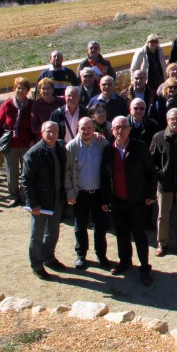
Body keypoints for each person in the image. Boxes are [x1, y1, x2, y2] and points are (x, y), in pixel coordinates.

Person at [108, 115, 158, 285]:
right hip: (117, 201)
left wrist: (151, 195)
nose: (120, 130)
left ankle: (144, 267)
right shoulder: (108, 150)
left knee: (139, 236)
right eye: (116, 127)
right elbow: (105, 177)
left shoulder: (140, 147)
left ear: (129, 129)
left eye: (123, 127)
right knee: (121, 234)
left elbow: (151, 172)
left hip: (137, 201)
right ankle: (125, 261)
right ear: (112, 130)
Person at [64, 116, 112, 271]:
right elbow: (67, 172)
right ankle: (81, 255)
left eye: (89, 128)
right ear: (78, 128)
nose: (86, 131)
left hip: (98, 193)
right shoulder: (72, 147)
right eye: (82, 128)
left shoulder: (101, 143)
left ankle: (101, 255)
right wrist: (70, 192)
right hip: (81, 193)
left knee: (100, 227)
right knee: (80, 226)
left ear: (94, 129)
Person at [21, 120, 67, 280]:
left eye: (55, 131)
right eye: (49, 131)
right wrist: (33, 203)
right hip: (40, 201)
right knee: (37, 235)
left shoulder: (60, 147)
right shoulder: (33, 154)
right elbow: (26, 181)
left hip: (56, 198)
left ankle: (49, 257)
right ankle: (36, 264)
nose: (52, 134)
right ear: (42, 132)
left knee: (53, 231)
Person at [150, 108, 177, 257]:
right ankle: (162, 243)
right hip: (164, 184)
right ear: (167, 121)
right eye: (172, 118)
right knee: (162, 215)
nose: (176, 121)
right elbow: (151, 160)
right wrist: (160, 174)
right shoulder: (159, 137)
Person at [0, 77, 35, 208]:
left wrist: (33, 139)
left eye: (23, 88)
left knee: (27, 172)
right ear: (14, 89)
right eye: (18, 88)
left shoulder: (32, 105)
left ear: (27, 90)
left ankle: (25, 195)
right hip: (11, 145)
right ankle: (15, 196)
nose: (21, 91)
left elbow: (35, 124)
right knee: (12, 173)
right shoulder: (8, 105)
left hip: (27, 144)